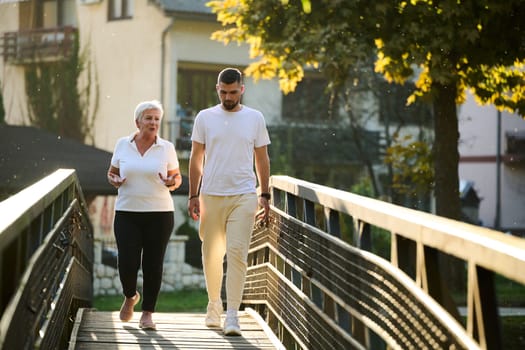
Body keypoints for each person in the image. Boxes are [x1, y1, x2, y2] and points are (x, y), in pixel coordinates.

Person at [187, 67, 271, 336]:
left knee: (237, 253)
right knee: (212, 254)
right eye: (223, 92)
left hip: (244, 194)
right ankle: (214, 305)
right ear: (217, 89)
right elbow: (196, 159)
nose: (228, 97)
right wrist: (193, 194)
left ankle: (232, 313)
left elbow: (262, 158)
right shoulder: (205, 117)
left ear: (242, 90)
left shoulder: (254, 118)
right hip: (211, 194)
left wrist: (265, 194)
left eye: (233, 92)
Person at [107, 100, 182, 330]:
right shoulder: (122, 144)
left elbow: (176, 178)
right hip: (127, 212)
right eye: (149, 118)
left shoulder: (166, 147)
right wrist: (114, 180)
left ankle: (147, 313)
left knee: (153, 263)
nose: (153, 122)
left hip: (159, 214)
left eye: (157, 119)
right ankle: (130, 296)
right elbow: (112, 173)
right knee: (127, 262)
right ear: (137, 121)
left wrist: (172, 182)